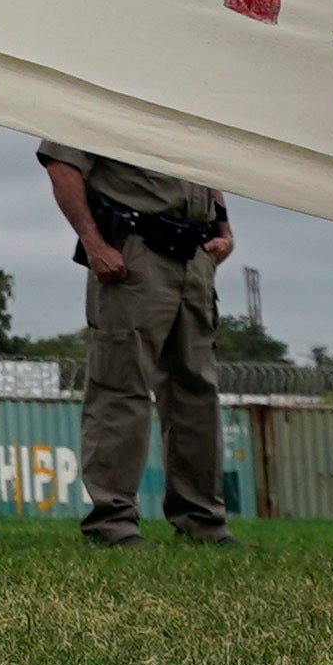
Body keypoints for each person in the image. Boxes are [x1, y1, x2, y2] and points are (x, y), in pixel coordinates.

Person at [39, 147, 236, 547]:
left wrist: (223, 226)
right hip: (134, 251)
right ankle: (112, 522)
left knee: (196, 390)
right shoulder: (104, 104)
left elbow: (206, 164)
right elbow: (61, 164)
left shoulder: (191, 109)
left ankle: (203, 522)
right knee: (120, 386)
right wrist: (94, 244)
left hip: (195, 253)